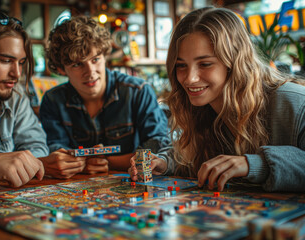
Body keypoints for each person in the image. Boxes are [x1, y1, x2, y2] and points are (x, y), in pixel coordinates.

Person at [129, 6, 305, 192]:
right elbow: (197, 160)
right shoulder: (202, 107)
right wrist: (164, 163)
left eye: (205, 64)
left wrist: (254, 164)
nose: (190, 78)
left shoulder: (294, 101)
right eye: (181, 66)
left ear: (235, 61)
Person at [0, 8, 85, 187]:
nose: (16, 74)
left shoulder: (16, 98)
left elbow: (37, 149)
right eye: (5, 61)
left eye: (21, 63)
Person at [40, 16, 170, 175]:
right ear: (61, 69)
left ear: (105, 56)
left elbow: (157, 150)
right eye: (77, 64)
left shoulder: (138, 91)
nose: (90, 72)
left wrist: (108, 162)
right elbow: (57, 154)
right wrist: (78, 163)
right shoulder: (53, 100)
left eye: (95, 59)